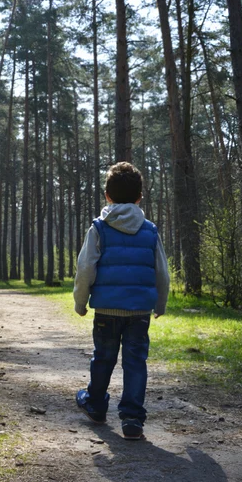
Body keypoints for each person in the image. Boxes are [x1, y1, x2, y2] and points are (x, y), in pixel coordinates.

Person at [74, 162, 170, 440]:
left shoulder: (99, 229)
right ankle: (132, 418)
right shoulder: (150, 230)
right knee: (135, 362)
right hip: (139, 310)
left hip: (106, 309)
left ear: (107, 195)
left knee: (103, 358)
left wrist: (80, 302)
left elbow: (85, 269)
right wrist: (160, 304)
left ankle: (95, 404)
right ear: (140, 197)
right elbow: (162, 272)